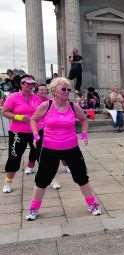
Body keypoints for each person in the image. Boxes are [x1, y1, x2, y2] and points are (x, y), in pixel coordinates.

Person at [26, 77, 101, 220]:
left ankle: (92, 204)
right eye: (63, 89)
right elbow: (33, 119)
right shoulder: (46, 106)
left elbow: (84, 120)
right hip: (49, 148)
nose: (67, 92)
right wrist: (35, 134)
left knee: (82, 177)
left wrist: (84, 133)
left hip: (71, 148)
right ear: (54, 91)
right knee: (42, 180)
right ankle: (33, 208)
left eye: (68, 89)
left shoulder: (73, 106)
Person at [2, 75, 41, 193]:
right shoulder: (13, 97)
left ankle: (47, 179)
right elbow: (5, 112)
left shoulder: (37, 98)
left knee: (41, 155)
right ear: (21, 84)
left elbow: (41, 112)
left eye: (32, 83)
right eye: (27, 83)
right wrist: (19, 117)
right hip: (18, 132)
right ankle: (8, 182)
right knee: (14, 157)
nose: (30, 86)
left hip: (35, 131)